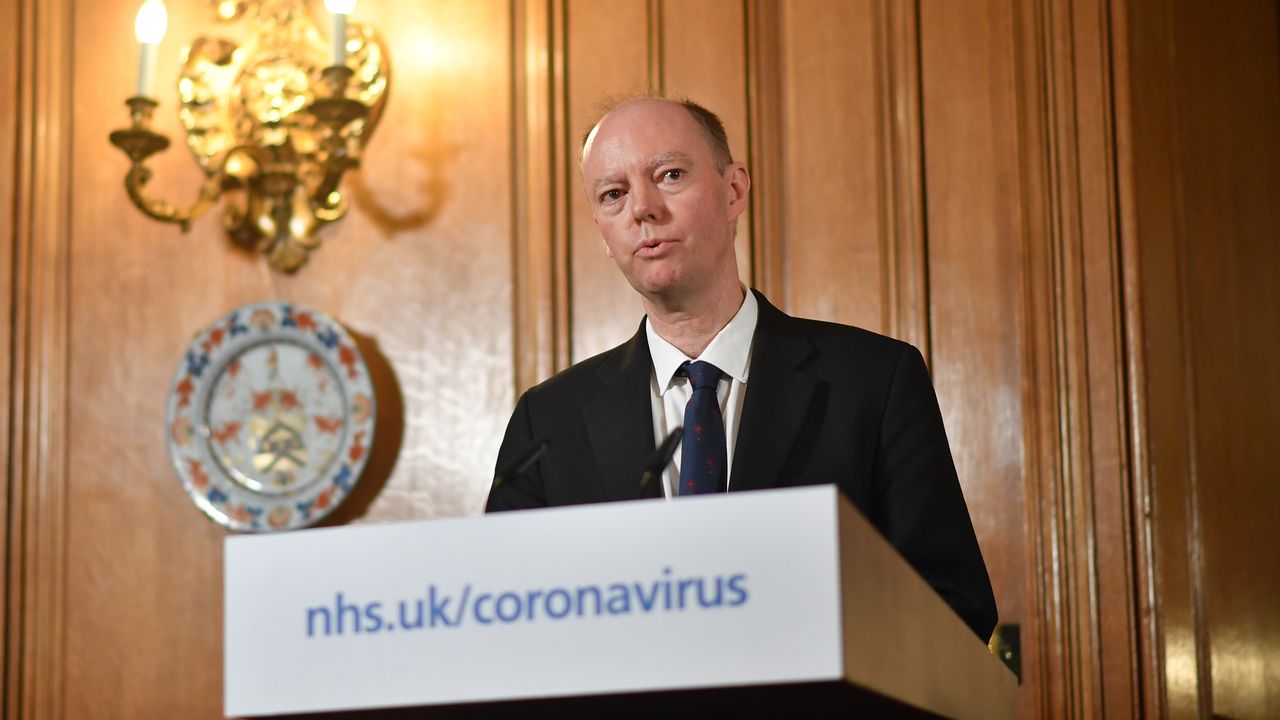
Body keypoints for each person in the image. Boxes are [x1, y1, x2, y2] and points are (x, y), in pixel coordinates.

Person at [486, 96, 997, 641]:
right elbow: (501, 622)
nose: (643, 209)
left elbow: (953, 608)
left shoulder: (876, 381)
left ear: (734, 191)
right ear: (603, 231)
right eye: (614, 194)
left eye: (670, 175)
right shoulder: (547, 422)